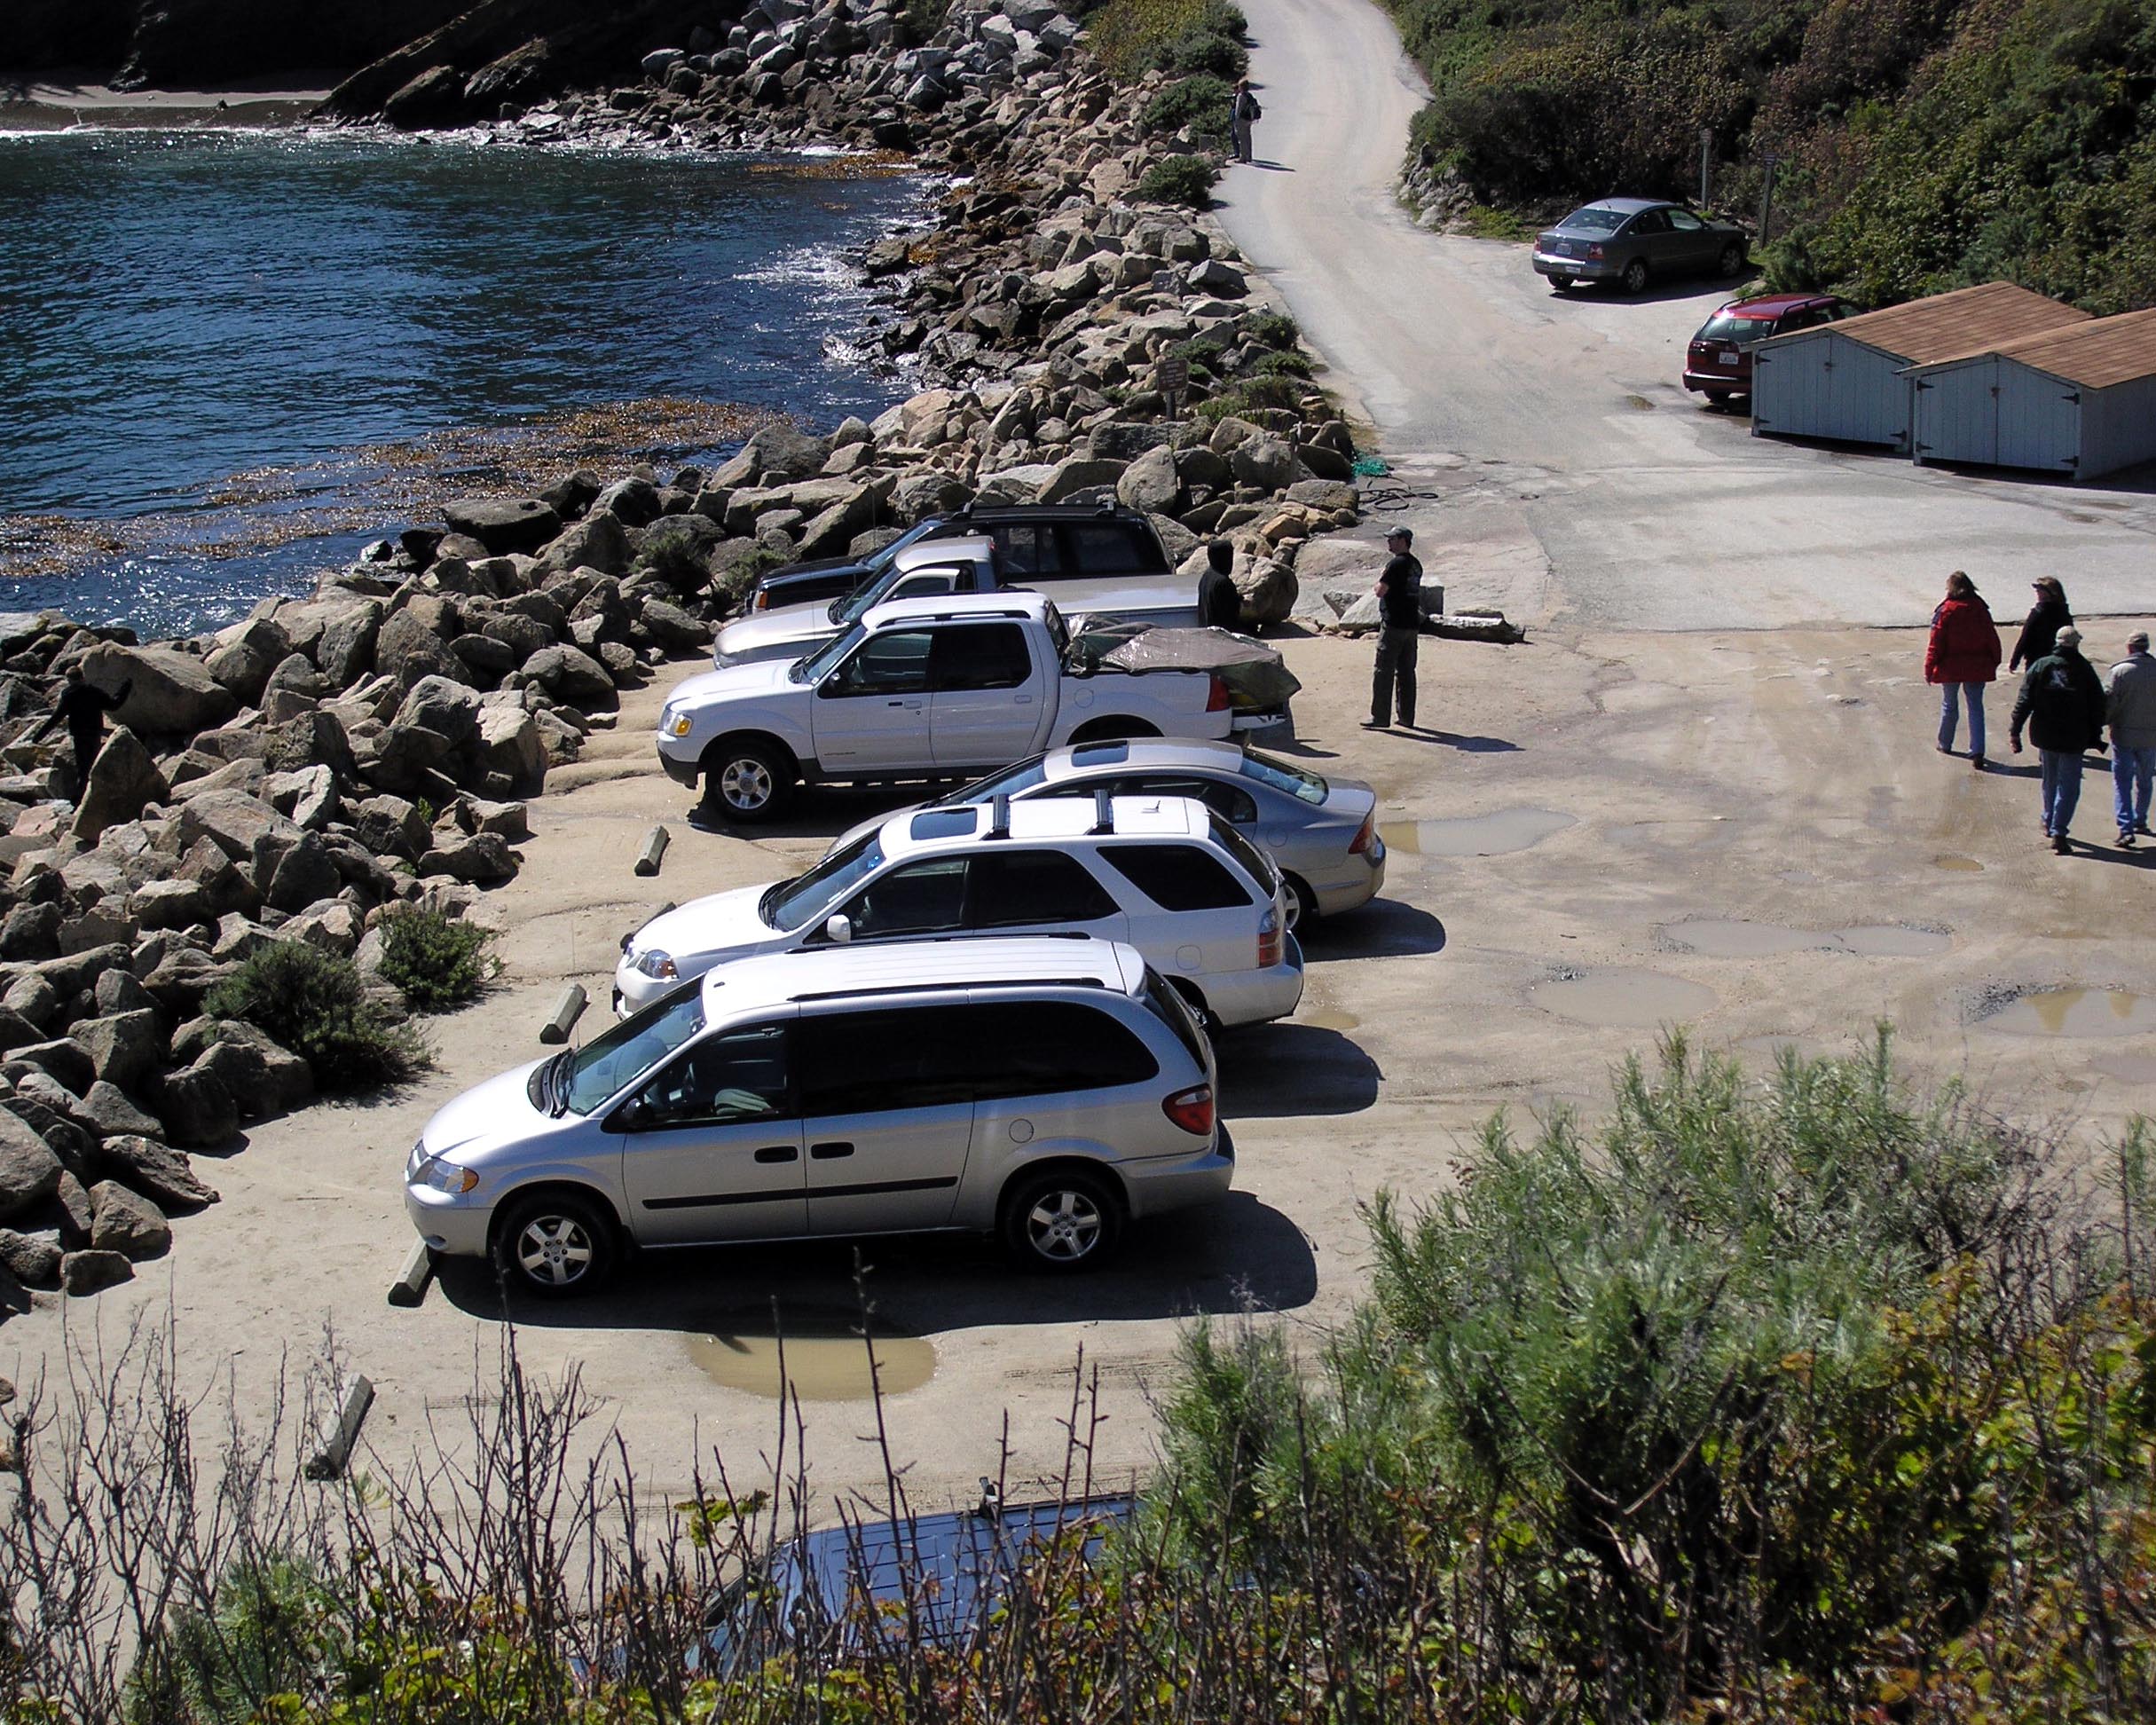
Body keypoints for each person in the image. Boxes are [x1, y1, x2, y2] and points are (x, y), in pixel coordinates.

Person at [2009, 626, 2108, 854]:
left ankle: (2048, 819)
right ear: (2076, 644)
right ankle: (2060, 831)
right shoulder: (2084, 669)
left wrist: (2015, 730)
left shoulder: (2041, 666)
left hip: (2046, 734)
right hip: (2074, 736)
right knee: (2070, 786)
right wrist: (2096, 734)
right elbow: (2097, 705)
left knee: (2050, 779)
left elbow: (2024, 700)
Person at [1923, 570, 2002, 768]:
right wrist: (1995, 659)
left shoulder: (1947, 610)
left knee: (1949, 704)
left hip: (1950, 666)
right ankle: (1977, 750)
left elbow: (1936, 642)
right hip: (1977, 665)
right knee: (1975, 706)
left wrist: (1929, 666)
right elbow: (1991, 637)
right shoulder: (1980, 609)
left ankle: (1945, 743)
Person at [32, 666, 133, 795]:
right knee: (94, 763)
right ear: (82, 677)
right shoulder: (94, 692)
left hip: (79, 735)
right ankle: (99, 793)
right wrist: (126, 687)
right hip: (94, 733)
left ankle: (81, 798)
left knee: (83, 768)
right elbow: (114, 705)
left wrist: (38, 736)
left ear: (69, 680)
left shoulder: (68, 695)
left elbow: (56, 718)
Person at [1365, 526, 1422, 731]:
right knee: (1407, 672)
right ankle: (1406, 717)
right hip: (1411, 625)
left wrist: (1379, 580)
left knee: (1383, 671)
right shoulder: (1416, 564)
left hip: (1394, 624)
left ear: (1403, 540)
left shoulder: (1396, 563)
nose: (1389, 542)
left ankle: (1380, 717)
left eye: (1393, 539)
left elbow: (1380, 591)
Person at [2106, 629, 2156, 848]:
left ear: (2129, 648)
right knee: (2145, 781)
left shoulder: (2119, 671)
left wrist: (2102, 723)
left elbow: (2109, 702)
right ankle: (2140, 820)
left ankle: (2125, 828)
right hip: (2150, 737)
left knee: (2122, 782)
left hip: (2124, 735)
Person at [2009, 575, 2073, 672]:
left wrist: (2014, 661)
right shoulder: (2064, 612)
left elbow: (2026, 637)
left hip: (2036, 661)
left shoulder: (2039, 612)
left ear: (2050, 593)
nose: (2037, 592)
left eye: (2040, 589)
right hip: (2059, 662)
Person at [1198, 540, 1243, 632]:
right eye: (1228, 557)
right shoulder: (1223, 582)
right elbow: (1230, 616)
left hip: (1208, 633)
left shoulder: (1206, 576)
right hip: (1223, 636)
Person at [1230, 80, 1262, 165]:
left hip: (1241, 119)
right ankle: (1249, 156)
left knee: (1242, 139)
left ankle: (1243, 157)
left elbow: (1238, 110)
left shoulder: (1241, 96)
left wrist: (1236, 120)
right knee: (1248, 138)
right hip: (1248, 119)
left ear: (1241, 87)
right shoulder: (1249, 95)